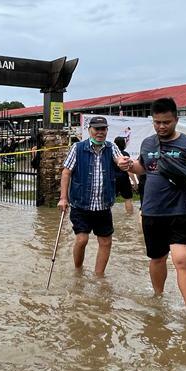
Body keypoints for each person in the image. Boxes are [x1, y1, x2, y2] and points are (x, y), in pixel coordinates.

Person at [121, 97, 186, 317]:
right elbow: (144, 167)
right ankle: (158, 297)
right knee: (157, 258)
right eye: (157, 122)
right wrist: (129, 165)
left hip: (181, 211)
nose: (161, 126)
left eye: (166, 122)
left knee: (182, 261)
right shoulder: (148, 143)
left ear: (176, 120)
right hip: (152, 212)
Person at [58, 115, 124, 276]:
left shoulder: (111, 147)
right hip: (81, 204)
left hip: (103, 205)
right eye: (97, 129)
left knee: (106, 242)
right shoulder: (78, 148)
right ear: (89, 130)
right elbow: (66, 172)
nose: (100, 132)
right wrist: (63, 198)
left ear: (107, 130)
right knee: (82, 240)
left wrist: (124, 162)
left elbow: (119, 160)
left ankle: (99, 276)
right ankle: (78, 270)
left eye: (103, 129)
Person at [113, 135, 136, 214]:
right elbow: (129, 170)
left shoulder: (111, 154)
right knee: (128, 199)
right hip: (124, 178)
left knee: (109, 199)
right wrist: (134, 182)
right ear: (124, 144)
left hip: (113, 178)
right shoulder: (125, 154)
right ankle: (130, 216)